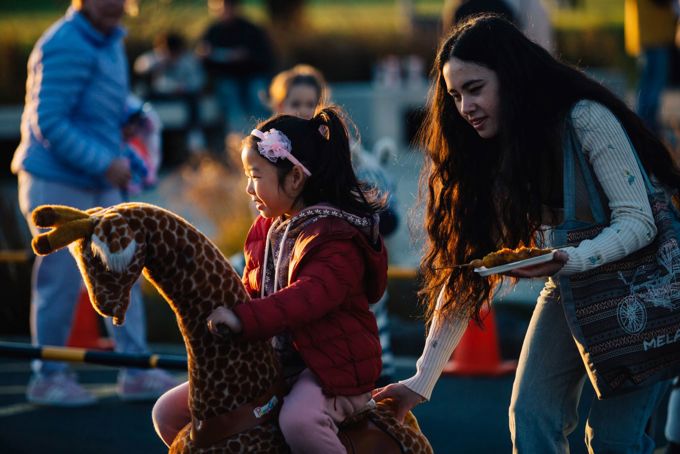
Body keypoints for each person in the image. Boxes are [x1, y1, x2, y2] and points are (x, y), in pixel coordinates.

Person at [373, 15, 679, 453]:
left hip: (647, 291)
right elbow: (468, 273)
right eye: (455, 95)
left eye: (475, 89)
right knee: (530, 417)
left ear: (513, 78)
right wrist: (421, 382)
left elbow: (639, 221)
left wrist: (568, 258)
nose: (464, 108)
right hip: (572, 289)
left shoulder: (585, 118)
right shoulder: (489, 153)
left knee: (614, 440)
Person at [152, 106, 387, 452]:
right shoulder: (269, 229)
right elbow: (251, 289)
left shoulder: (337, 238)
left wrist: (243, 319)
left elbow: (306, 298)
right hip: (276, 361)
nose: (248, 188)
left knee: (300, 422)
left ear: (294, 178)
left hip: (330, 369)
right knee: (171, 412)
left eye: (256, 176)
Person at [11, 0, 178, 407]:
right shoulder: (65, 44)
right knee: (59, 279)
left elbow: (100, 102)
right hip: (57, 180)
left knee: (126, 265)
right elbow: (48, 121)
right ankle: (48, 377)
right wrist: (105, 163)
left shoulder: (110, 42)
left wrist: (133, 112)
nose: (114, 3)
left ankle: (135, 370)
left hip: (98, 178)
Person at [268, 63, 399, 385]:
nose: (304, 111)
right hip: (292, 252)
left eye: (310, 103)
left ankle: (381, 371)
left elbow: (375, 204)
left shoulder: (341, 154)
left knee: (364, 308)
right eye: (295, 103)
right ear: (279, 106)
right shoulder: (271, 155)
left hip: (336, 247)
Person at [197, 0, 275, 136]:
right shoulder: (213, 31)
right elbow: (204, 60)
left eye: (225, 8)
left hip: (252, 75)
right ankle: (240, 137)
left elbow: (267, 57)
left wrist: (247, 56)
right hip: (227, 78)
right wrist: (204, 56)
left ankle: (265, 133)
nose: (222, 12)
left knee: (257, 93)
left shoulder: (251, 29)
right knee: (230, 96)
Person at [133, 31, 205, 152]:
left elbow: (197, 80)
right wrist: (160, 62)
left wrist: (184, 87)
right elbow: (139, 67)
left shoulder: (187, 61)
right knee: (140, 93)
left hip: (181, 94)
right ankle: (138, 130)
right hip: (159, 93)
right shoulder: (155, 59)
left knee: (194, 99)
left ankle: (195, 135)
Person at [625, 0, 679, 134]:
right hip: (655, 35)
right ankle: (647, 124)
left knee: (648, 82)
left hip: (648, 34)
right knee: (654, 83)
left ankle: (643, 122)